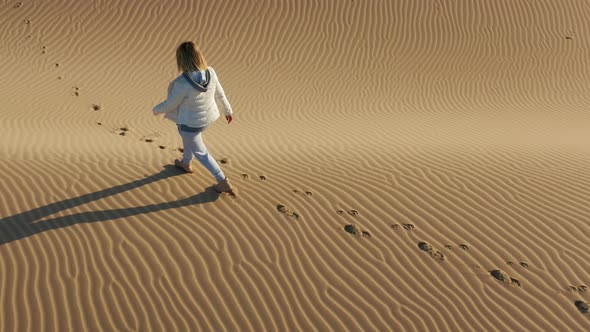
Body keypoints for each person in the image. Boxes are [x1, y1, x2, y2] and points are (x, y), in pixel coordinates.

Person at [153, 41, 234, 194]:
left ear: (182, 60)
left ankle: (223, 181)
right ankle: (186, 163)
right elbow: (220, 94)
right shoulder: (211, 72)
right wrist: (228, 111)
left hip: (189, 123)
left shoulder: (182, 83)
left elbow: (170, 104)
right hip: (206, 119)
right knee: (190, 139)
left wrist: (156, 110)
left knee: (201, 152)